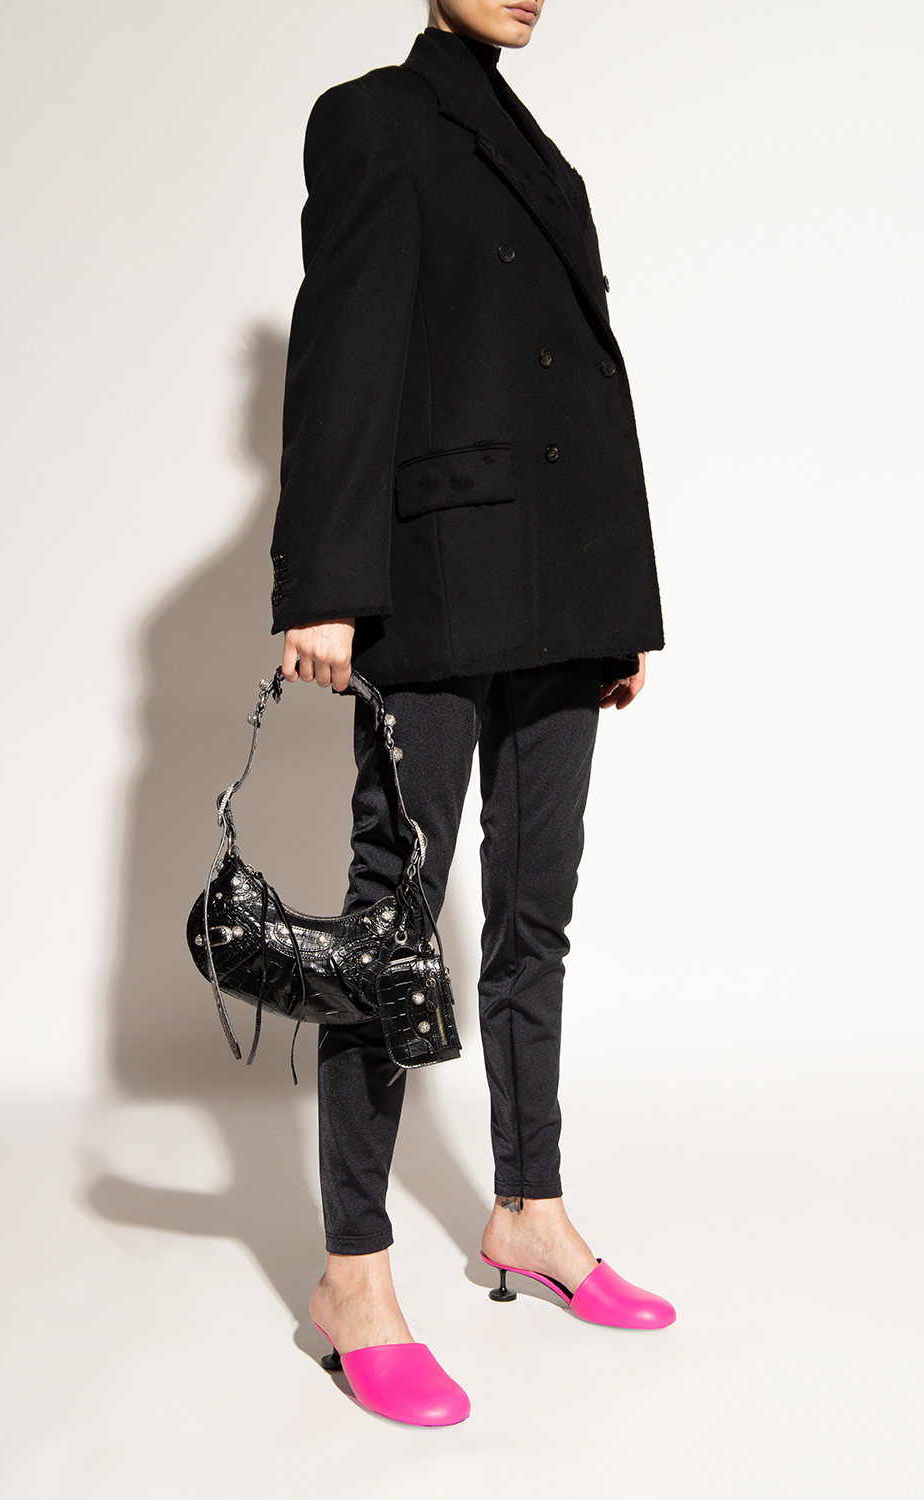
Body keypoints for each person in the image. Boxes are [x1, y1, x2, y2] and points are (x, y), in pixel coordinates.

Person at [270, 0, 674, 1426]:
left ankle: (528, 1211)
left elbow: (589, 391)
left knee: (534, 908)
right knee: (390, 929)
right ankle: (353, 1274)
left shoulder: (543, 156)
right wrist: (325, 587)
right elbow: (341, 352)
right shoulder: (374, 119)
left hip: (563, 591)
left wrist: (620, 605)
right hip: (437, 586)